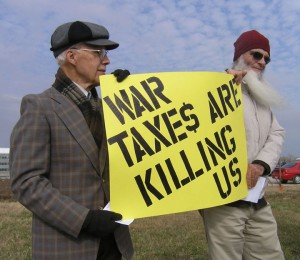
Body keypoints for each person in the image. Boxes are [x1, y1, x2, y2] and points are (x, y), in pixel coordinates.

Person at [10, 21, 133, 260]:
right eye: (99, 53)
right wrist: (84, 219)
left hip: (115, 243)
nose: (106, 60)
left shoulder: (107, 105)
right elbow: (26, 182)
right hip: (68, 246)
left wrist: (126, 96)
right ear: (72, 56)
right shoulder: (39, 107)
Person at [200, 30, 285, 260]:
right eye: (256, 55)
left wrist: (260, 164)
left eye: (267, 58)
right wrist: (223, 85)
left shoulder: (262, 98)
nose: (262, 62)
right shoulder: (219, 87)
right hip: (224, 203)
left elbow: (276, 133)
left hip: (257, 201)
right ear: (239, 55)